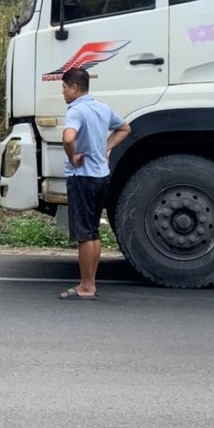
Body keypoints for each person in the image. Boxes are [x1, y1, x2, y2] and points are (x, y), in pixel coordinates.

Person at [58, 67, 131, 300]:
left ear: (74, 87)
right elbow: (125, 127)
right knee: (93, 231)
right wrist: (106, 147)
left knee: (84, 235)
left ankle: (86, 286)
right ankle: (90, 283)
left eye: (64, 87)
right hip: (101, 177)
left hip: (82, 178)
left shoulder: (76, 111)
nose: (63, 92)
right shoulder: (103, 108)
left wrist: (72, 157)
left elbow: (68, 138)